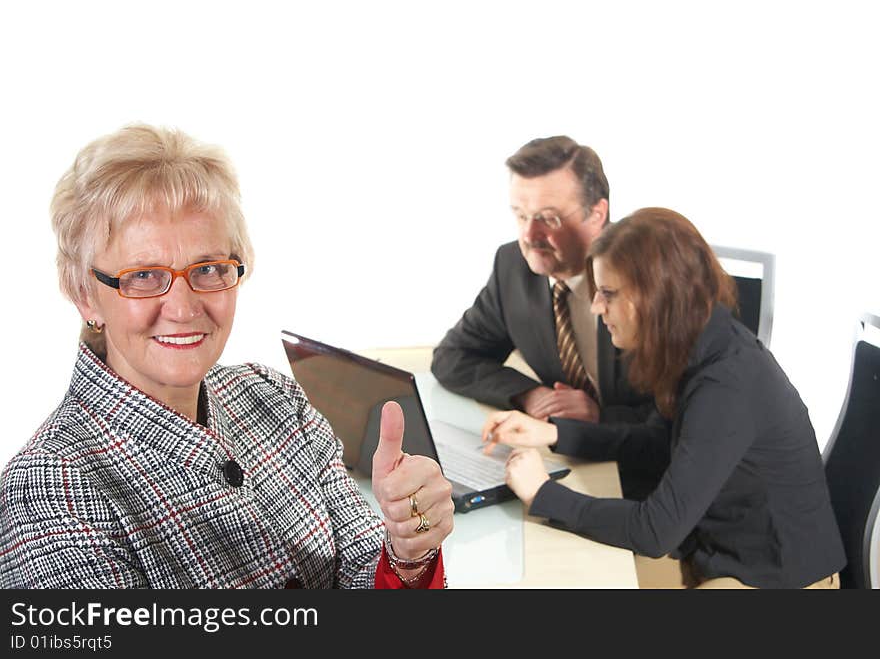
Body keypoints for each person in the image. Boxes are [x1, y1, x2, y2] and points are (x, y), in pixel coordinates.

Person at [0, 125, 453, 589]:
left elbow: (364, 567)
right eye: (143, 276)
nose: (182, 307)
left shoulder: (270, 395)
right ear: (84, 294)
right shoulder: (50, 493)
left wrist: (407, 554)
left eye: (210, 269)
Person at [481, 208, 846, 589]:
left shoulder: (725, 383)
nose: (595, 307)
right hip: (716, 558)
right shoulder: (695, 348)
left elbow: (655, 531)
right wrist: (554, 434)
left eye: (607, 293)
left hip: (772, 583)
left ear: (654, 295)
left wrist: (543, 494)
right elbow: (658, 442)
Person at [431, 137, 655, 482]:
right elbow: (452, 356)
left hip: (648, 474)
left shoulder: (651, 276)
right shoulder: (512, 268)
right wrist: (532, 396)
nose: (529, 235)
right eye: (520, 216)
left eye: (548, 219)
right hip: (568, 463)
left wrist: (600, 415)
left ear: (597, 214)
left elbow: (686, 415)